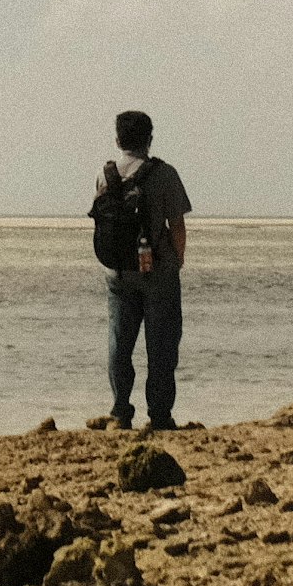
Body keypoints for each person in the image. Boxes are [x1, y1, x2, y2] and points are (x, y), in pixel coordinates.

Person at [93, 107, 191, 431]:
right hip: (158, 270)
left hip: (118, 270)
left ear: (117, 139)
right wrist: (177, 261)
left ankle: (120, 412)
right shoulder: (164, 174)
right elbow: (176, 224)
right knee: (161, 346)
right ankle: (159, 416)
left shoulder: (105, 175)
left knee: (119, 343)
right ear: (149, 139)